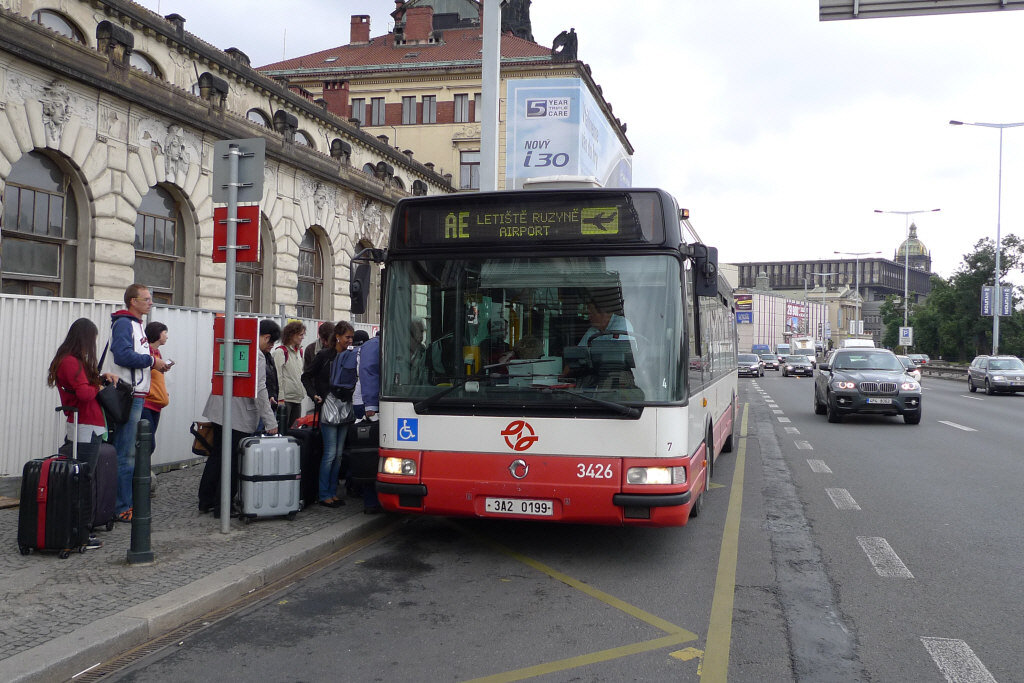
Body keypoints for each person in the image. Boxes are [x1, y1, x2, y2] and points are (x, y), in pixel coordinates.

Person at [47, 318, 119, 549]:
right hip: (86, 424)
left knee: (80, 476)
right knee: (82, 478)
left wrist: (99, 379)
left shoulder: (68, 361)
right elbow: (85, 395)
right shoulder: (71, 363)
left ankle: (78, 529)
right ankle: (80, 532)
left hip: (85, 424)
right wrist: (97, 386)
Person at [197, 319, 279, 517]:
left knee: (217, 456)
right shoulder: (257, 356)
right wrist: (270, 421)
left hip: (219, 410)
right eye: (271, 344)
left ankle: (206, 500)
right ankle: (223, 505)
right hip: (239, 415)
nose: (270, 348)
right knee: (233, 461)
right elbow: (259, 389)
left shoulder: (234, 344)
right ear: (266, 337)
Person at [110, 284, 168, 522]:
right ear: (133, 301)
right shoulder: (125, 324)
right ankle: (122, 506)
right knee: (125, 453)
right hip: (130, 395)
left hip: (137, 395)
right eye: (146, 299)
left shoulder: (135, 325)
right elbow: (121, 354)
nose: (150, 302)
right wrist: (151, 362)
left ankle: (126, 502)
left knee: (130, 451)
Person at [301, 321, 356, 508]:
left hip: (344, 405)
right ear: (338, 337)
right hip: (328, 406)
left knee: (338, 455)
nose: (350, 341)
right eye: (347, 337)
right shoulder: (324, 355)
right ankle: (325, 493)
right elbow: (306, 375)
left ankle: (331, 492)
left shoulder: (349, 355)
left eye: (351, 337)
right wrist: (315, 395)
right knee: (331, 453)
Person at [356, 330, 382, 513]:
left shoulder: (375, 344)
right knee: (371, 452)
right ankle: (371, 501)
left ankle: (373, 499)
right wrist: (370, 405)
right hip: (370, 405)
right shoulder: (375, 345)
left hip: (372, 403)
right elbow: (368, 372)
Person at [141, 321, 172, 454]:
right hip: (147, 404)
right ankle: (141, 473)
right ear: (158, 334)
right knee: (148, 444)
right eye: (165, 333)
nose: (167, 336)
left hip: (157, 404)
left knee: (149, 444)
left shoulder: (158, 353)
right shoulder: (145, 352)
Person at [273, 321, 306, 430]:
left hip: (297, 398)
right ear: (292, 335)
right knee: (283, 429)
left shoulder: (299, 352)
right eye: (300, 335)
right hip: (286, 399)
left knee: (294, 430)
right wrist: (280, 398)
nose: (302, 337)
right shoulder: (281, 352)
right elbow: (278, 376)